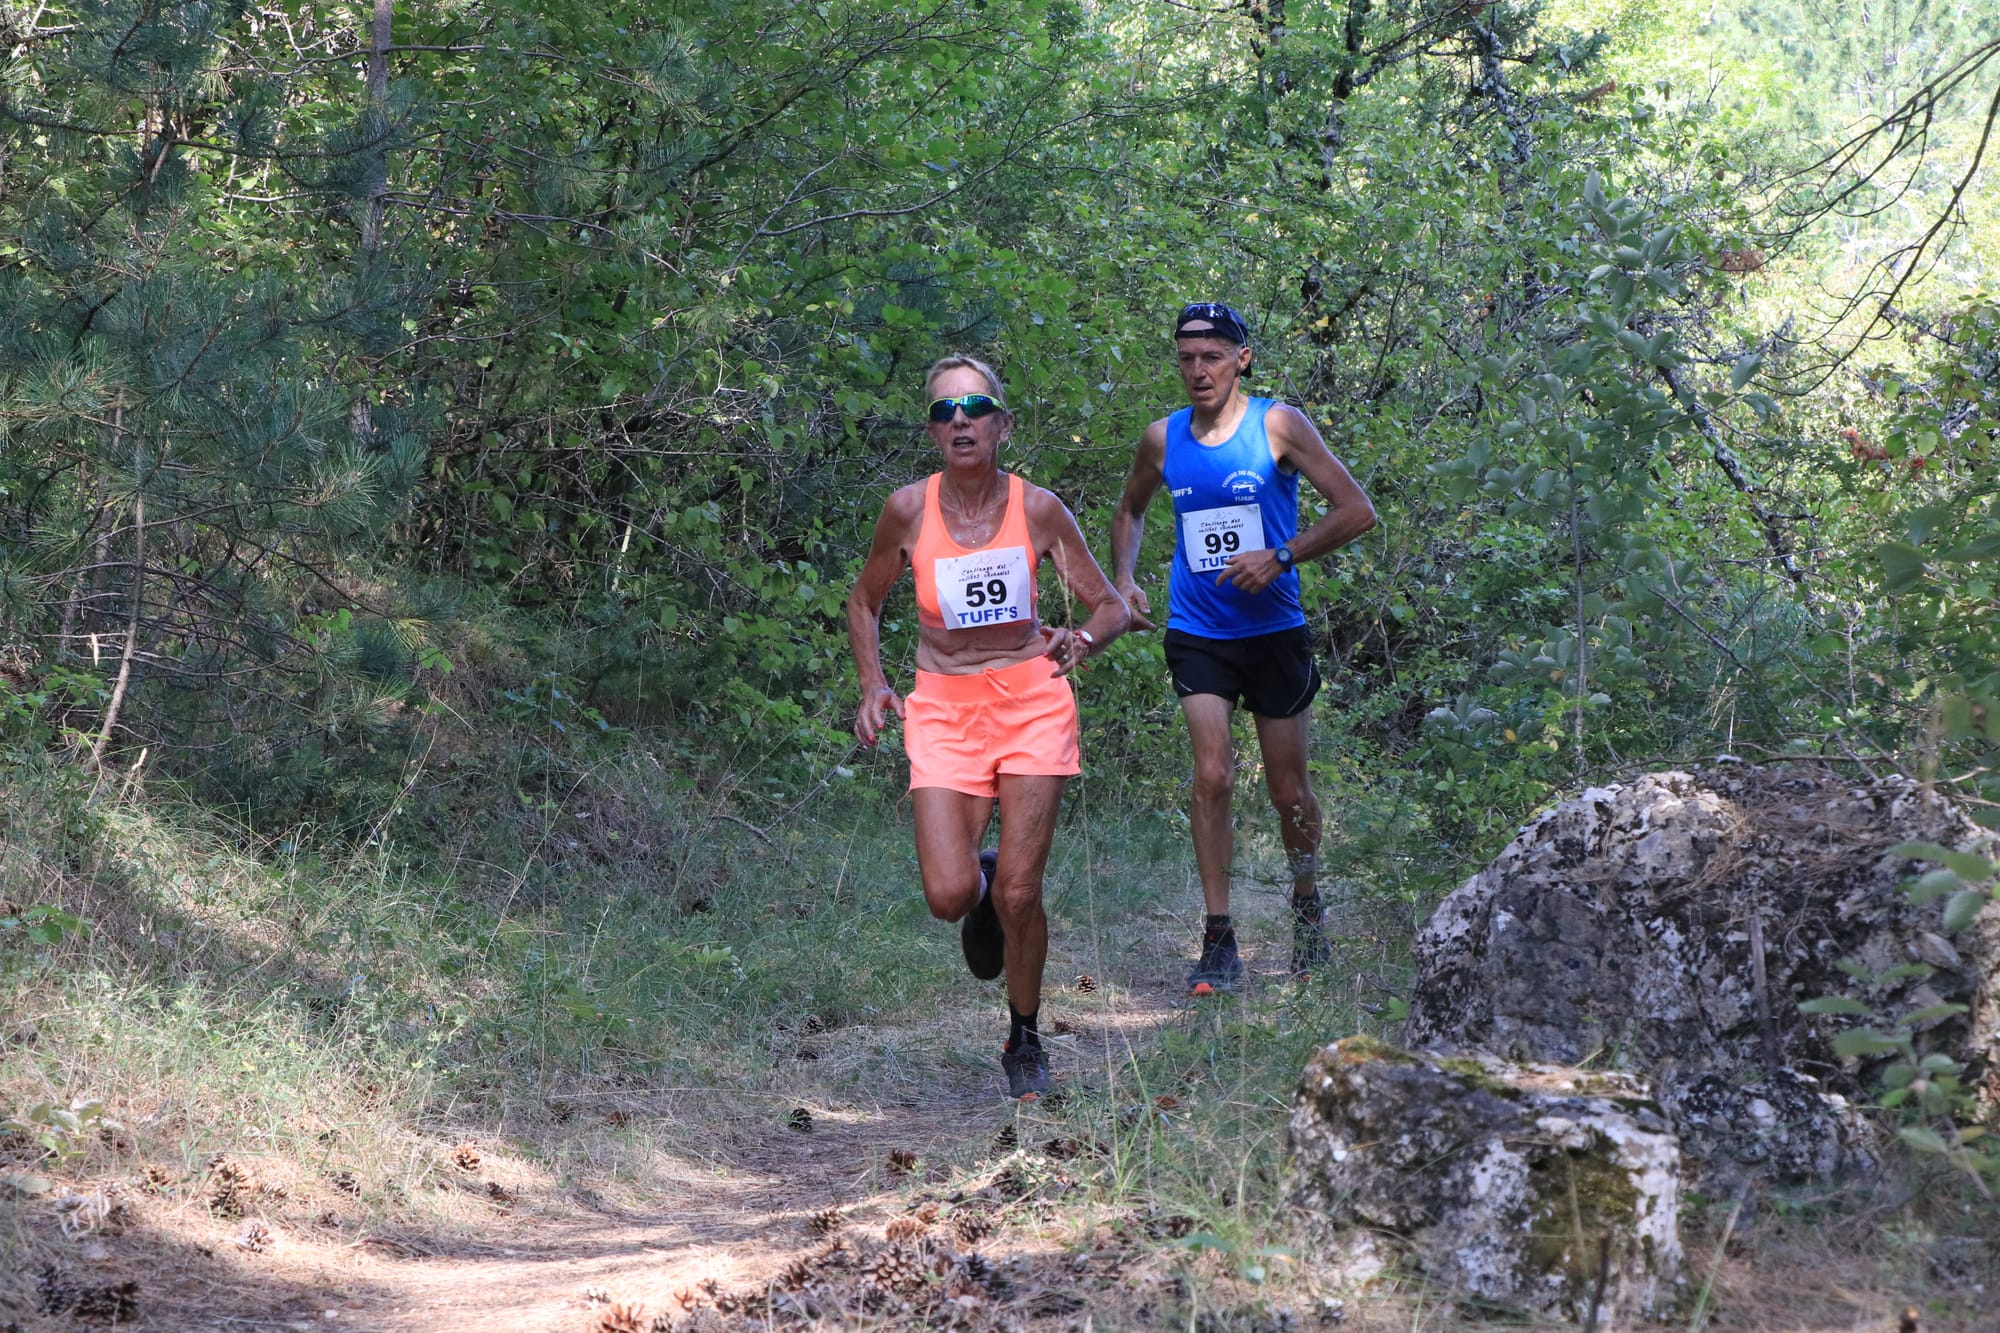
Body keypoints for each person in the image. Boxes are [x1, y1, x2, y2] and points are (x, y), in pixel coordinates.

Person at [848, 354, 1130, 1099]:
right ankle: (982, 877)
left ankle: (1026, 1035)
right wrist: (875, 684)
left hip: (1031, 699)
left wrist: (1085, 640)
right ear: (932, 432)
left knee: (1020, 894)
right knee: (949, 894)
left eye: (974, 407)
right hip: (942, 705)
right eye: (944, 412)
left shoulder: (1037, 508)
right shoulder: (908, 510)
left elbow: (1111, 606)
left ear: (1002, 423)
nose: (960, 421)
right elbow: (864, 602)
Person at [1110, 302, 1377, 995]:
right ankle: (1219, 935)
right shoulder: (1162, 439)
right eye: (1186, 358)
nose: (1198, 371)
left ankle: (1307, 906)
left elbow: (1357, 510)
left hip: (1273, 631)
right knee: (1214, 772)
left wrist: (1281, 555)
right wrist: (1124, 579)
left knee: (1289, 790)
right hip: (1198, 631)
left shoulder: (1279, 425)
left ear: (1242, 358)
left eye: (1212, 357)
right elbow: (1131, 507)